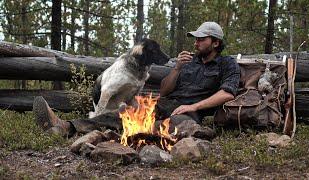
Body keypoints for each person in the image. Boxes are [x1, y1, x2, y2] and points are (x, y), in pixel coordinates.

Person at [33, 21, 240, 137]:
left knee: (172, 124)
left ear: (215, 43)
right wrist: (177, 69)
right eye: (195, 39)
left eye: (201, 40)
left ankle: (135, 135)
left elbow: (228, 92)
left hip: (191, 113)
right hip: (166, 103)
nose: (196, 44)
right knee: (124, 114)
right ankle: (66, 126)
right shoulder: (189, 62)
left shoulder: (226, 63)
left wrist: (193, 107)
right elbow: (165, 90)